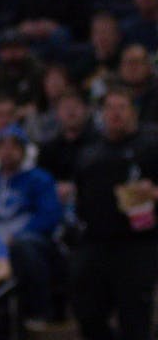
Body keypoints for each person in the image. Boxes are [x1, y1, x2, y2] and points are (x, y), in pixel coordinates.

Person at [71, 88, 158, 340]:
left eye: (121, 107)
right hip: (95, 241)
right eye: (109, 108)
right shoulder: (89, 153)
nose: (115, 113)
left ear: (133, 112)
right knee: (88, 313)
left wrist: (153, 193)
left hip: (137, 243)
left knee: (134, 317)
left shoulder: (150, 145)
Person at [0, 126, 61, 324]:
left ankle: (39, 311)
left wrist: (15, 236)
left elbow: (49, 216)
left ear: (23, 151)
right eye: (2, 146)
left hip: (30, 241)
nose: (7, 151)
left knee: (24, 246)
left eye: (13, 146)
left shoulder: (40, 179)